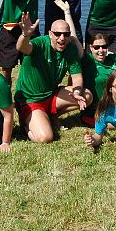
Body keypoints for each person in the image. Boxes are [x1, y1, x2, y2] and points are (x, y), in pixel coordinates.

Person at [14, 13, 89, 143]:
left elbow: (77, 77)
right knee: (45, 137)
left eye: (66, 34)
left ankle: (49, 115)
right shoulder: (40, 44)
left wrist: (76, 92)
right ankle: (26, 123)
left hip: (51, 95)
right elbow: (22, 47)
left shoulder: (70, 48)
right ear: (50, 33)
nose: (62, 38)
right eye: (57, 34)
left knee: (87, 96)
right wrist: (25, 35)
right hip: (31, 99)